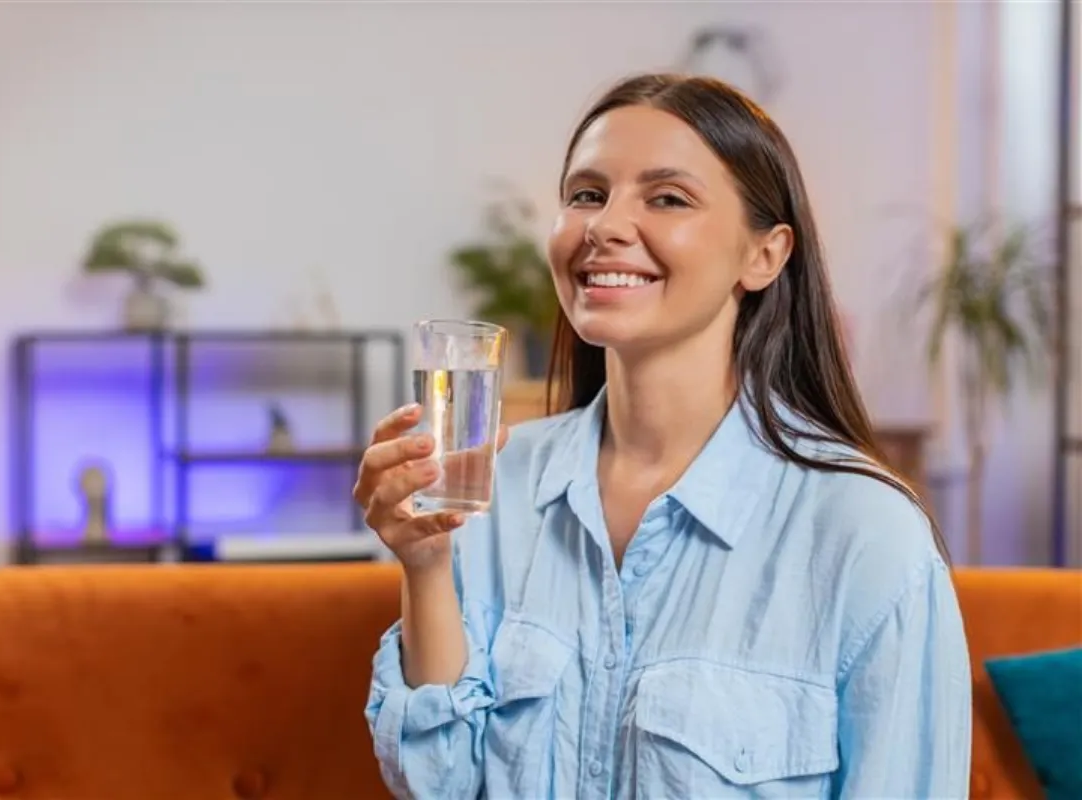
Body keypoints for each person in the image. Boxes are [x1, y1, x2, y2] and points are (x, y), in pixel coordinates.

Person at [356, 73, 972, 799]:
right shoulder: (494, 482)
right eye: (587, 194)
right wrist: (425, 566)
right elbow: (439, 784)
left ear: (764, 256)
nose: (606, 226)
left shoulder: (866, 535)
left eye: (667, 198)